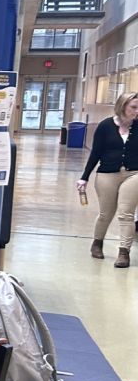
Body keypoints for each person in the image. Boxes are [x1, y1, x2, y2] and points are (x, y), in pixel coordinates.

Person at [78, 91, 138, 267]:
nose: (136, 111)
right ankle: (97, 243)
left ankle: (124, 253)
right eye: (133, 107)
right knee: (106, 214)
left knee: (126, 214)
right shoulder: (105, 126)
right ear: (122, 106)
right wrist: (84, 177)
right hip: (107, 173)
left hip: (134, 173)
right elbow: (95, 153)